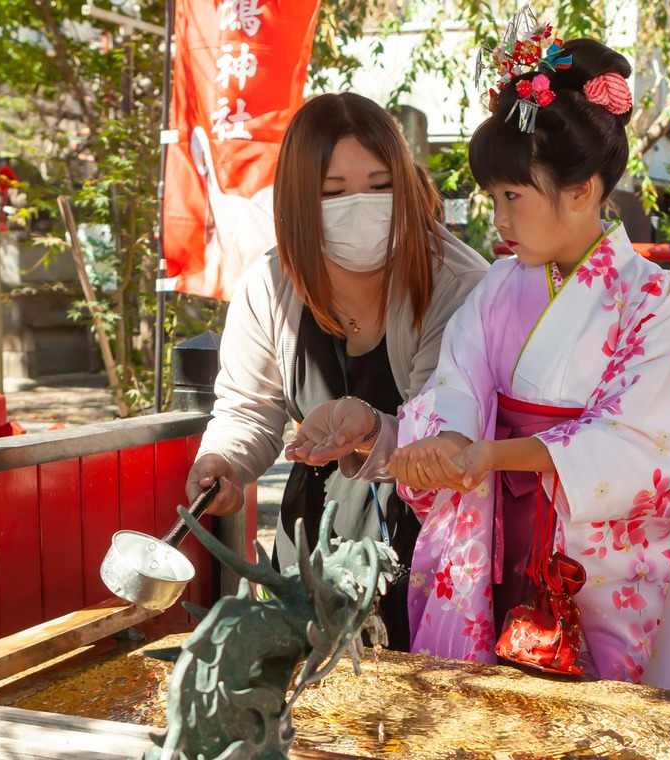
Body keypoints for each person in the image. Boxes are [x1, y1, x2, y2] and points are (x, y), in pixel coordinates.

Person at [357, 32, 670, 694]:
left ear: (581, 191)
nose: (498, 218)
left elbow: (644, 441)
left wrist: (491, 456)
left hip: (591, 550)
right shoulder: (499, 286)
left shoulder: (644, 294)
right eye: (493, 198)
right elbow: (457, 387)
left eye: (511, 198)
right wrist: (443, 442)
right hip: (496, 536)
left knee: (602, 715)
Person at [186, 93, 489, 651]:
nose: (362, 205)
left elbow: (447, 436)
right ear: (300, 201)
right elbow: (248, 406)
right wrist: (224, 461)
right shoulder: (271, 284)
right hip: (313, 538)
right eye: (333, 193)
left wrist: (372, 429)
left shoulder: (459, 284)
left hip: (430, 539)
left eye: (380, 186)